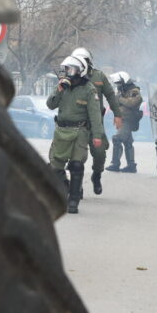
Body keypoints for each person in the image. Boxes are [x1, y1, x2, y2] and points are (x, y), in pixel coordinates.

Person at [47, 55, 104, 214]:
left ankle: (74, 200)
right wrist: (58, 90)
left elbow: (95, 115)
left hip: (79, 131)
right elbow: (50, 104)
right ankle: (65, 186)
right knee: (55, 166)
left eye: (71, 69)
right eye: (67, 69)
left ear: (80, 71)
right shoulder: (62, 86)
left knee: (76, 165)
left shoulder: (89, 89)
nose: (68, 72)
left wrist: (97, 135)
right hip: (61, 131)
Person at [71, 47, 123, 195]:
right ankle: (77, 186)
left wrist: (117, 114)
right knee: (76, 157)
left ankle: (96, 175)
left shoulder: (99, 76)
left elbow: (111, 95)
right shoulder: (71, 77)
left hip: (95, 123)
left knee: (100, 153)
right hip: (77, 124)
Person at [106, 71, 143, 173]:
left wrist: (120, 99)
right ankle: (131, 166)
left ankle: (115, 164)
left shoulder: (134, 91)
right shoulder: (122, 91)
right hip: (123, 119)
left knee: (117, 139)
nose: (117, 85)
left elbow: (133, 103)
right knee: (128, 142)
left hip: (128, 120)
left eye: (119, 83)